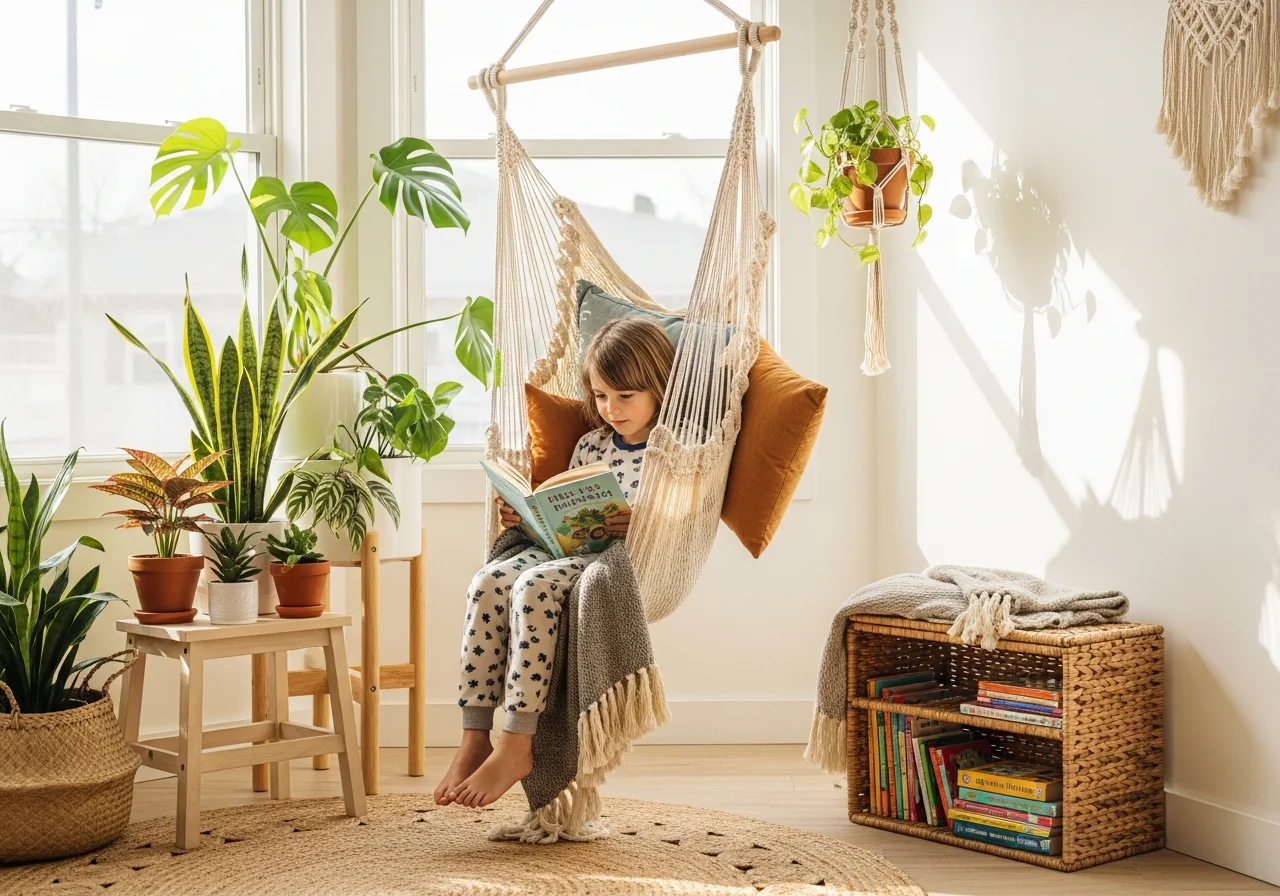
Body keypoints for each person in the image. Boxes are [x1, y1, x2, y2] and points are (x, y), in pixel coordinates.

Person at [434, 317, 676, 808]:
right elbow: (560, 504)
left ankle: (517, 741)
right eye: (602, 396)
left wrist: (642, 523)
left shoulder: (672, 454)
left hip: (608, 564)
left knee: (534, 587)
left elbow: (676, 523)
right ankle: (474, 734)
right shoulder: (591, 444)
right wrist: (520, 515)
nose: (611, 409)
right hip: (559, 547)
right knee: (488, 582)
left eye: (626, 396)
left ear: (658, 386)